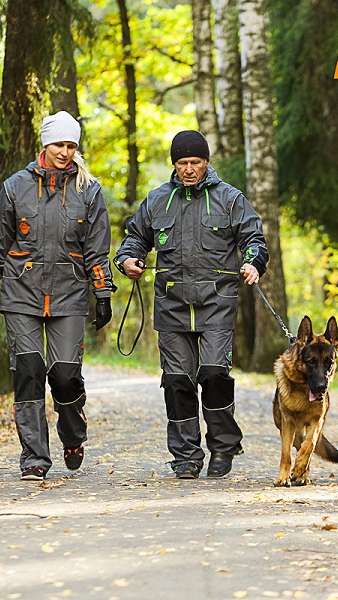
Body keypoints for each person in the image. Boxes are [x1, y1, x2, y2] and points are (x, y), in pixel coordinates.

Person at [114, 130, 268, 479]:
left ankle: (224, 445)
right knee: (177, 380)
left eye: (194, 162)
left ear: (206, 163)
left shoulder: (230, 199)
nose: (188, 169)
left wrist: (253, 263)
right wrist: (128, 260)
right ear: (174, 165)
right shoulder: (157, 200)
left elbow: (254, 239)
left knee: (213, 374)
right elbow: (135, 239)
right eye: (182, 163)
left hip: (217, 305)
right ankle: (186, 455)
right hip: (172, 307)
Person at [0, 111, 115, 481]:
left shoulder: (89, 190)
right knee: (29, 372)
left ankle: (72, 435)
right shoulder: (15, 187)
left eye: (71, 146)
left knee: (66, 376)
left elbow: (98, 250)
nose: (65, 152)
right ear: (45, 144)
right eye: (59, 145)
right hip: (22, 292)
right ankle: (34, 457)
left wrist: (102, 293)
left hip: (68, 294)